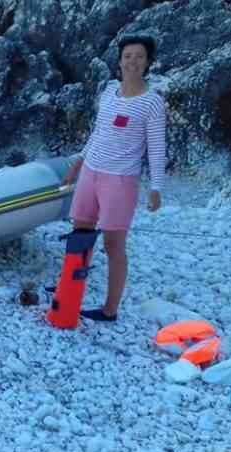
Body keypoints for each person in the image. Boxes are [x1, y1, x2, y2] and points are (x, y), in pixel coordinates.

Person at [61, 34, 167, 322]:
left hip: (120, 181)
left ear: (148, 62)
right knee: (81, 236)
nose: (133, 61)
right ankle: (70, 293)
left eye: (139, 56)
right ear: (119, 61)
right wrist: (78, 164)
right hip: (91, 173)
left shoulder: (152, 103)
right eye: (128, 56)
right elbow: (97, 134)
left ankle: (110, 309)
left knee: (113, 245)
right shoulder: (109, 92)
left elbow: (157, 148)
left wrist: (156, 188)